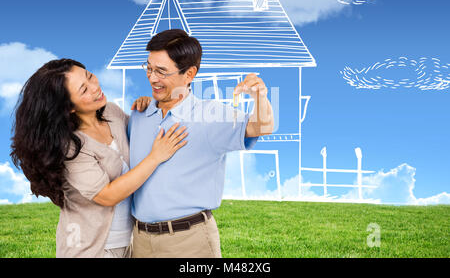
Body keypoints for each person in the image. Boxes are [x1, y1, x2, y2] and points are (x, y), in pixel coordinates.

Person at [10, 58, 188, 258]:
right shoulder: (70, 147)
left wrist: (146, 108)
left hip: (130, 243)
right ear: (69, 107)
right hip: (89, 249)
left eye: (90, 77)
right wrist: (156, 157)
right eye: (84, 90)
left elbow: (141, 140)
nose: (95, 87)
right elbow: (107, 196)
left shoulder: (112, 112)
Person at [129, 29, 275, 258]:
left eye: (161, 71)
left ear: (189, 74)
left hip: (188, 243)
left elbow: (261, 127)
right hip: (139, 241)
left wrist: (260, 97)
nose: (152, 78)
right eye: (148, 68)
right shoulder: (139, 115)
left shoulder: (211, 115)